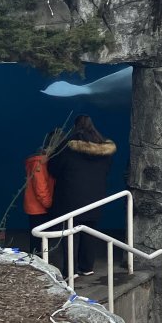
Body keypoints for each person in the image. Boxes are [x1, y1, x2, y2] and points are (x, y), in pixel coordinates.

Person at [49, 115, 117, 279]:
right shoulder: (104, 149)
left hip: (70, 198)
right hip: (95, 197)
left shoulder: (67, 147)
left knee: (70, 234)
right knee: (90, 232)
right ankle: (87, 267)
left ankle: (70, 271)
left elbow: (54, 169)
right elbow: (107, 170)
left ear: (75, 127)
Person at [23, 131, 58, 242]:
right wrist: (49, 204)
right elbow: (40, 187)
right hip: (39, 209)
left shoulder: (41, 161)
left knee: (40, 241)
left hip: (39, 207)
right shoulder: (39, 162)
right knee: (39, 243)